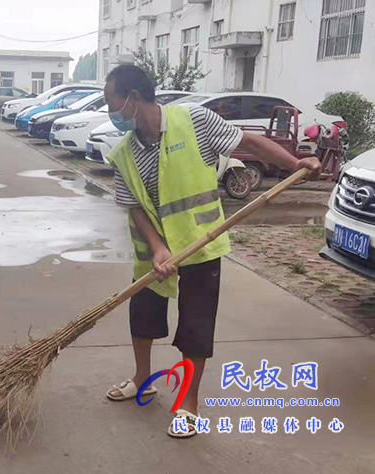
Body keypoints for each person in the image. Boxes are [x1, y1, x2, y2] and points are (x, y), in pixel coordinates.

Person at [102, 65, 321, 438]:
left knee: (196, 326)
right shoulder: (124, 152)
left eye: (113, 104)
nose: (111, 113)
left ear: (134, 99)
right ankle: (143, 379)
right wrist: (157, 248)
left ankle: (188, 404)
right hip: (152, 254)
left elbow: (247, 142)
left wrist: (293, 163)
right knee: (143, 316)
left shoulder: (195, 121)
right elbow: (134, 206)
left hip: (201, 246)